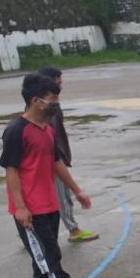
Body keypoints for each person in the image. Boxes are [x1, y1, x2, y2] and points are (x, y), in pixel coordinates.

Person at [0, 73, 104, 278]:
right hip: (29, 208)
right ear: (36, 101)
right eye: (52, 98)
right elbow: (11, 171)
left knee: (44, 253)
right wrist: (21, 208)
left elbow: (56, 162)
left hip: (49, 203)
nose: (56, 102)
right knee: (49, 256)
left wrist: (77, 191)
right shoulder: (16, 131)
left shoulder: (46, 129)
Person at [38, 68, 99, 244]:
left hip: (54, 157)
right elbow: (51, 138)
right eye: (58, 85)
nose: (60, 88)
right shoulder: (47, 111)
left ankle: (32, 231)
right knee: (62, 196)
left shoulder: (45, 107)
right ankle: (73, 230)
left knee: (48, 197)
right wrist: (59, 159)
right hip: (54, 160)